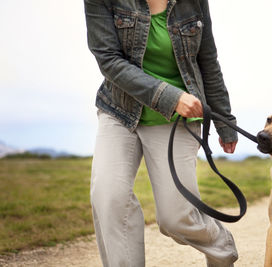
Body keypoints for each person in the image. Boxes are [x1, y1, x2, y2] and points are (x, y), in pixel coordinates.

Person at [84, 0, 239, 266]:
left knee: (175, 218)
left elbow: (208, 61)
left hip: (181, 117)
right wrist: (167, 96)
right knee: (108, 198)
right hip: (120, 109)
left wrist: (224, 121)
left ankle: (222, 248)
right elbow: (108, 60)